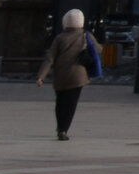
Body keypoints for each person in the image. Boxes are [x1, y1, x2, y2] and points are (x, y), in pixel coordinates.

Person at [34, 8, 99, 140]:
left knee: (60, 103)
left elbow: (49, 58)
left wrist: (41, 76)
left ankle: (60, 127)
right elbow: (98, 49)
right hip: (78, 76)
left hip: (60, 76)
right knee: (71, 104)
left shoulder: (59, 38)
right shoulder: (86, 36)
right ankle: (64, 130)